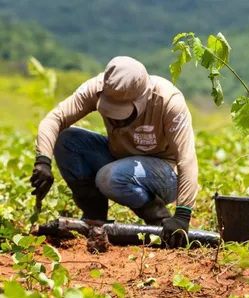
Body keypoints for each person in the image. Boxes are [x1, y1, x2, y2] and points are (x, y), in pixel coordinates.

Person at [29, 56, 199, 248]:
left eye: (123, 113)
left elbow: (187, 159)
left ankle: (157, 216)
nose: (116, 120)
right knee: (67, 141)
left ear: (141, 99)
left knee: (110, 177)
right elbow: (55, 119)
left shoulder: (168, 101)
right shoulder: (98, 87)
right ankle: (95, 218)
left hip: (164, 174)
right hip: (120, 159)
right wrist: (43, 160)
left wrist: (183, 215)